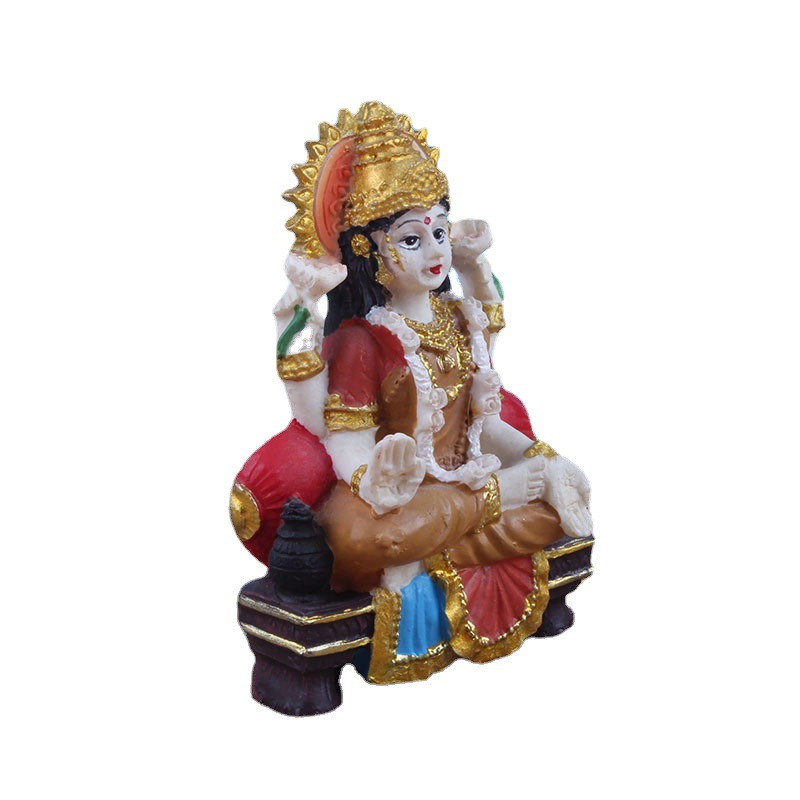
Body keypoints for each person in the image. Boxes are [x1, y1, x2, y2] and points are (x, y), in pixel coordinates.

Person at [241, 101, 592, 683]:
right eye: (411, 239)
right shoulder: (363, 341)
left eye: (439, 231)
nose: (434, 251)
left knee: (560, 506)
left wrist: (541, 458)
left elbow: (483, 421)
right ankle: (479, 517)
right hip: (398, 499)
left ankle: (438, 549)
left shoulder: (458, 320)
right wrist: (373, 480)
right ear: (369, 251)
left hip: (451, 491)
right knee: (364, 538)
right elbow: (342, 439)